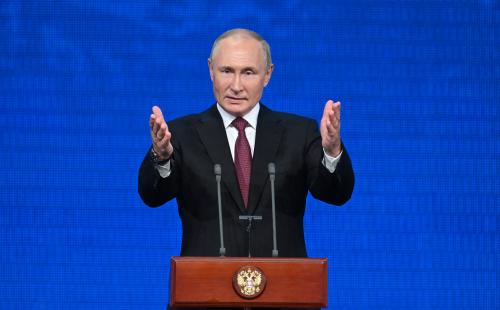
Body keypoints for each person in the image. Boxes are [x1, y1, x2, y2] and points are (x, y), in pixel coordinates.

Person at [139, 28, 354, 259]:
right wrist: (161, 158)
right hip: (206, 287)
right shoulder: (181, 134)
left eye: (249, 72)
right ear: (211, 70)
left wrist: (331, 152)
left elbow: (335, 194)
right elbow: (152, 196)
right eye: (227, 71)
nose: (237, 85)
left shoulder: (298, 133)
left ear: (268, 75)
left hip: (282, 288)